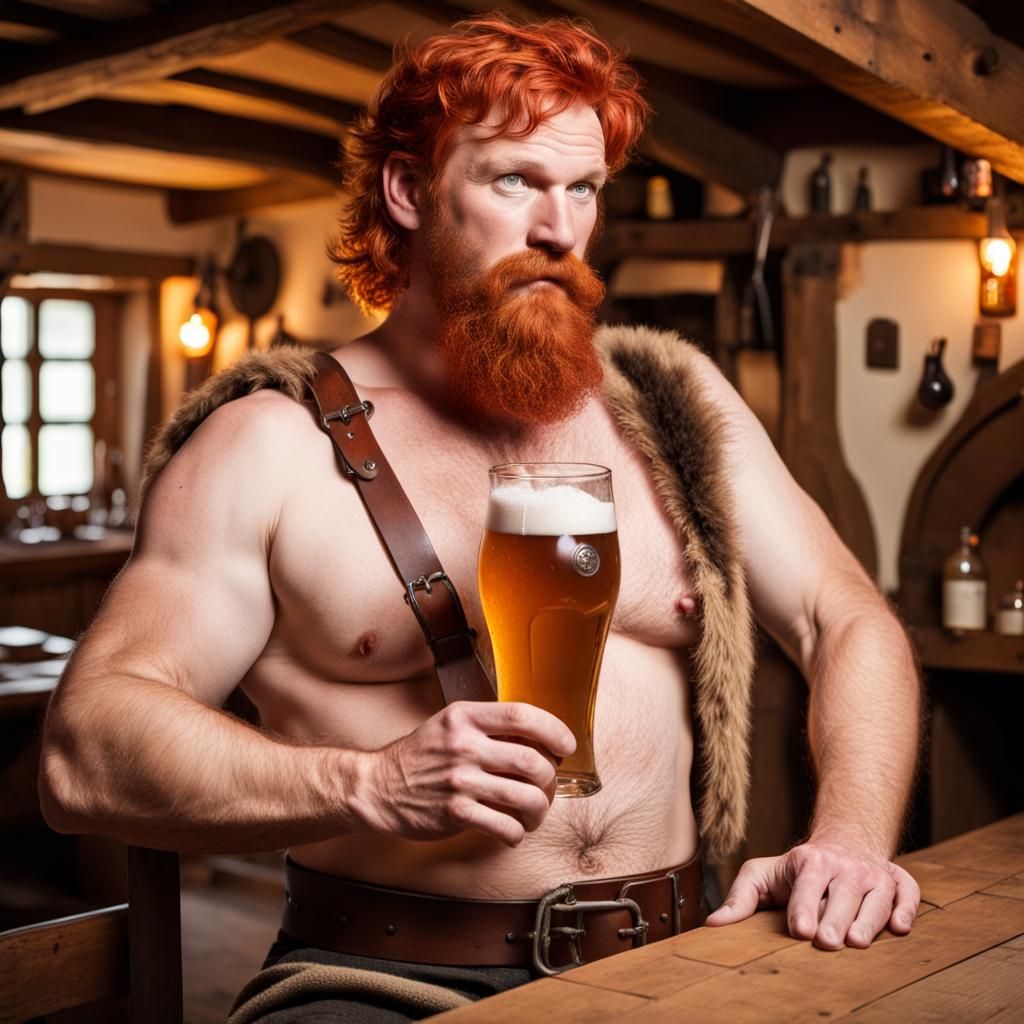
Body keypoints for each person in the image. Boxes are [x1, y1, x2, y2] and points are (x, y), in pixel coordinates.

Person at [38, 12, 922, 1022]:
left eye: (581, 190)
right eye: (513, 181)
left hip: (684, 958)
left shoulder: (677, 403)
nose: (558, 229)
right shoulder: (265, 444)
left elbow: (843, 616)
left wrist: (849, 837)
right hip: (380, 979)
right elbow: (85, 748)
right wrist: (370, 781)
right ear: (408, 191)